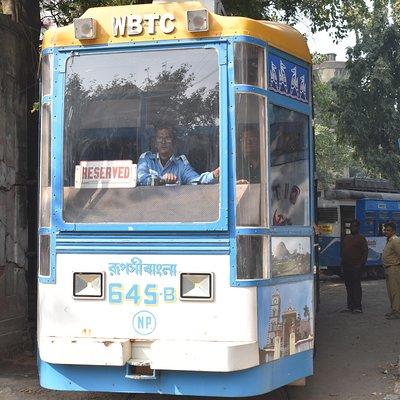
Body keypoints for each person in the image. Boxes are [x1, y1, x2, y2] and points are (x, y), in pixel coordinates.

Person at [137, 126, 220, 186]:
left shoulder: (181, 164)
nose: (163, 142)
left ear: (174, 143)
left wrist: (213, 175)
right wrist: (162, 180)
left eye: (167, 138)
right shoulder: (146, 159)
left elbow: (194, 180)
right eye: (159, 138)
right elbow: (141, 178)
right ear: (155, 143)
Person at [340, 220, 368, 313]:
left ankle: (357, 307)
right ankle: (350, 306)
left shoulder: (361, 238)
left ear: (358, 227)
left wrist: (361, 265)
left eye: (355, 226)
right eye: (351, 226)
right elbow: (343, 251)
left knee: (356, 286)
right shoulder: (346, 238)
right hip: (346, 266)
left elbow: (365, 252)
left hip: (356, 267)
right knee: (348, 286)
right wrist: (342, 264)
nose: (352, 228)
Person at [382, 222, 400, 319]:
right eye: (385, 230)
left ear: (393, 231)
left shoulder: (395, 241)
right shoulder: (389, 240)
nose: (386, 232)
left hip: (394, 269)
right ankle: (393, 310)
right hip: (388, 269)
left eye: (388, 230)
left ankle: (397, 312)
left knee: (395, 291)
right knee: (390, 291)